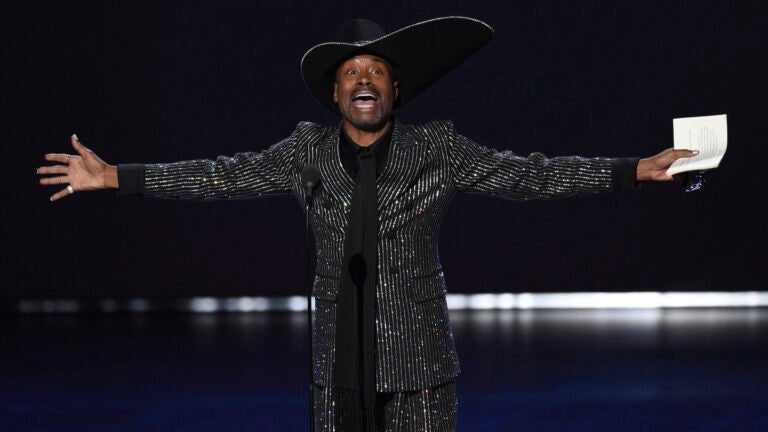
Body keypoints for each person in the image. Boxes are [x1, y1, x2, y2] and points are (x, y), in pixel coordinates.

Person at [37, 16, 698, 432]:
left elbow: (528, 175)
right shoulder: (305, 152)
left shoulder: (437, 148)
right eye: (351, 71)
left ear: (394, 90)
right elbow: (222, 176)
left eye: (377, 71)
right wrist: (116, 176)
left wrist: (633, 169)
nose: (364, 79)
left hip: (418, 371)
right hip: (337, 373)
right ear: (335, 93)